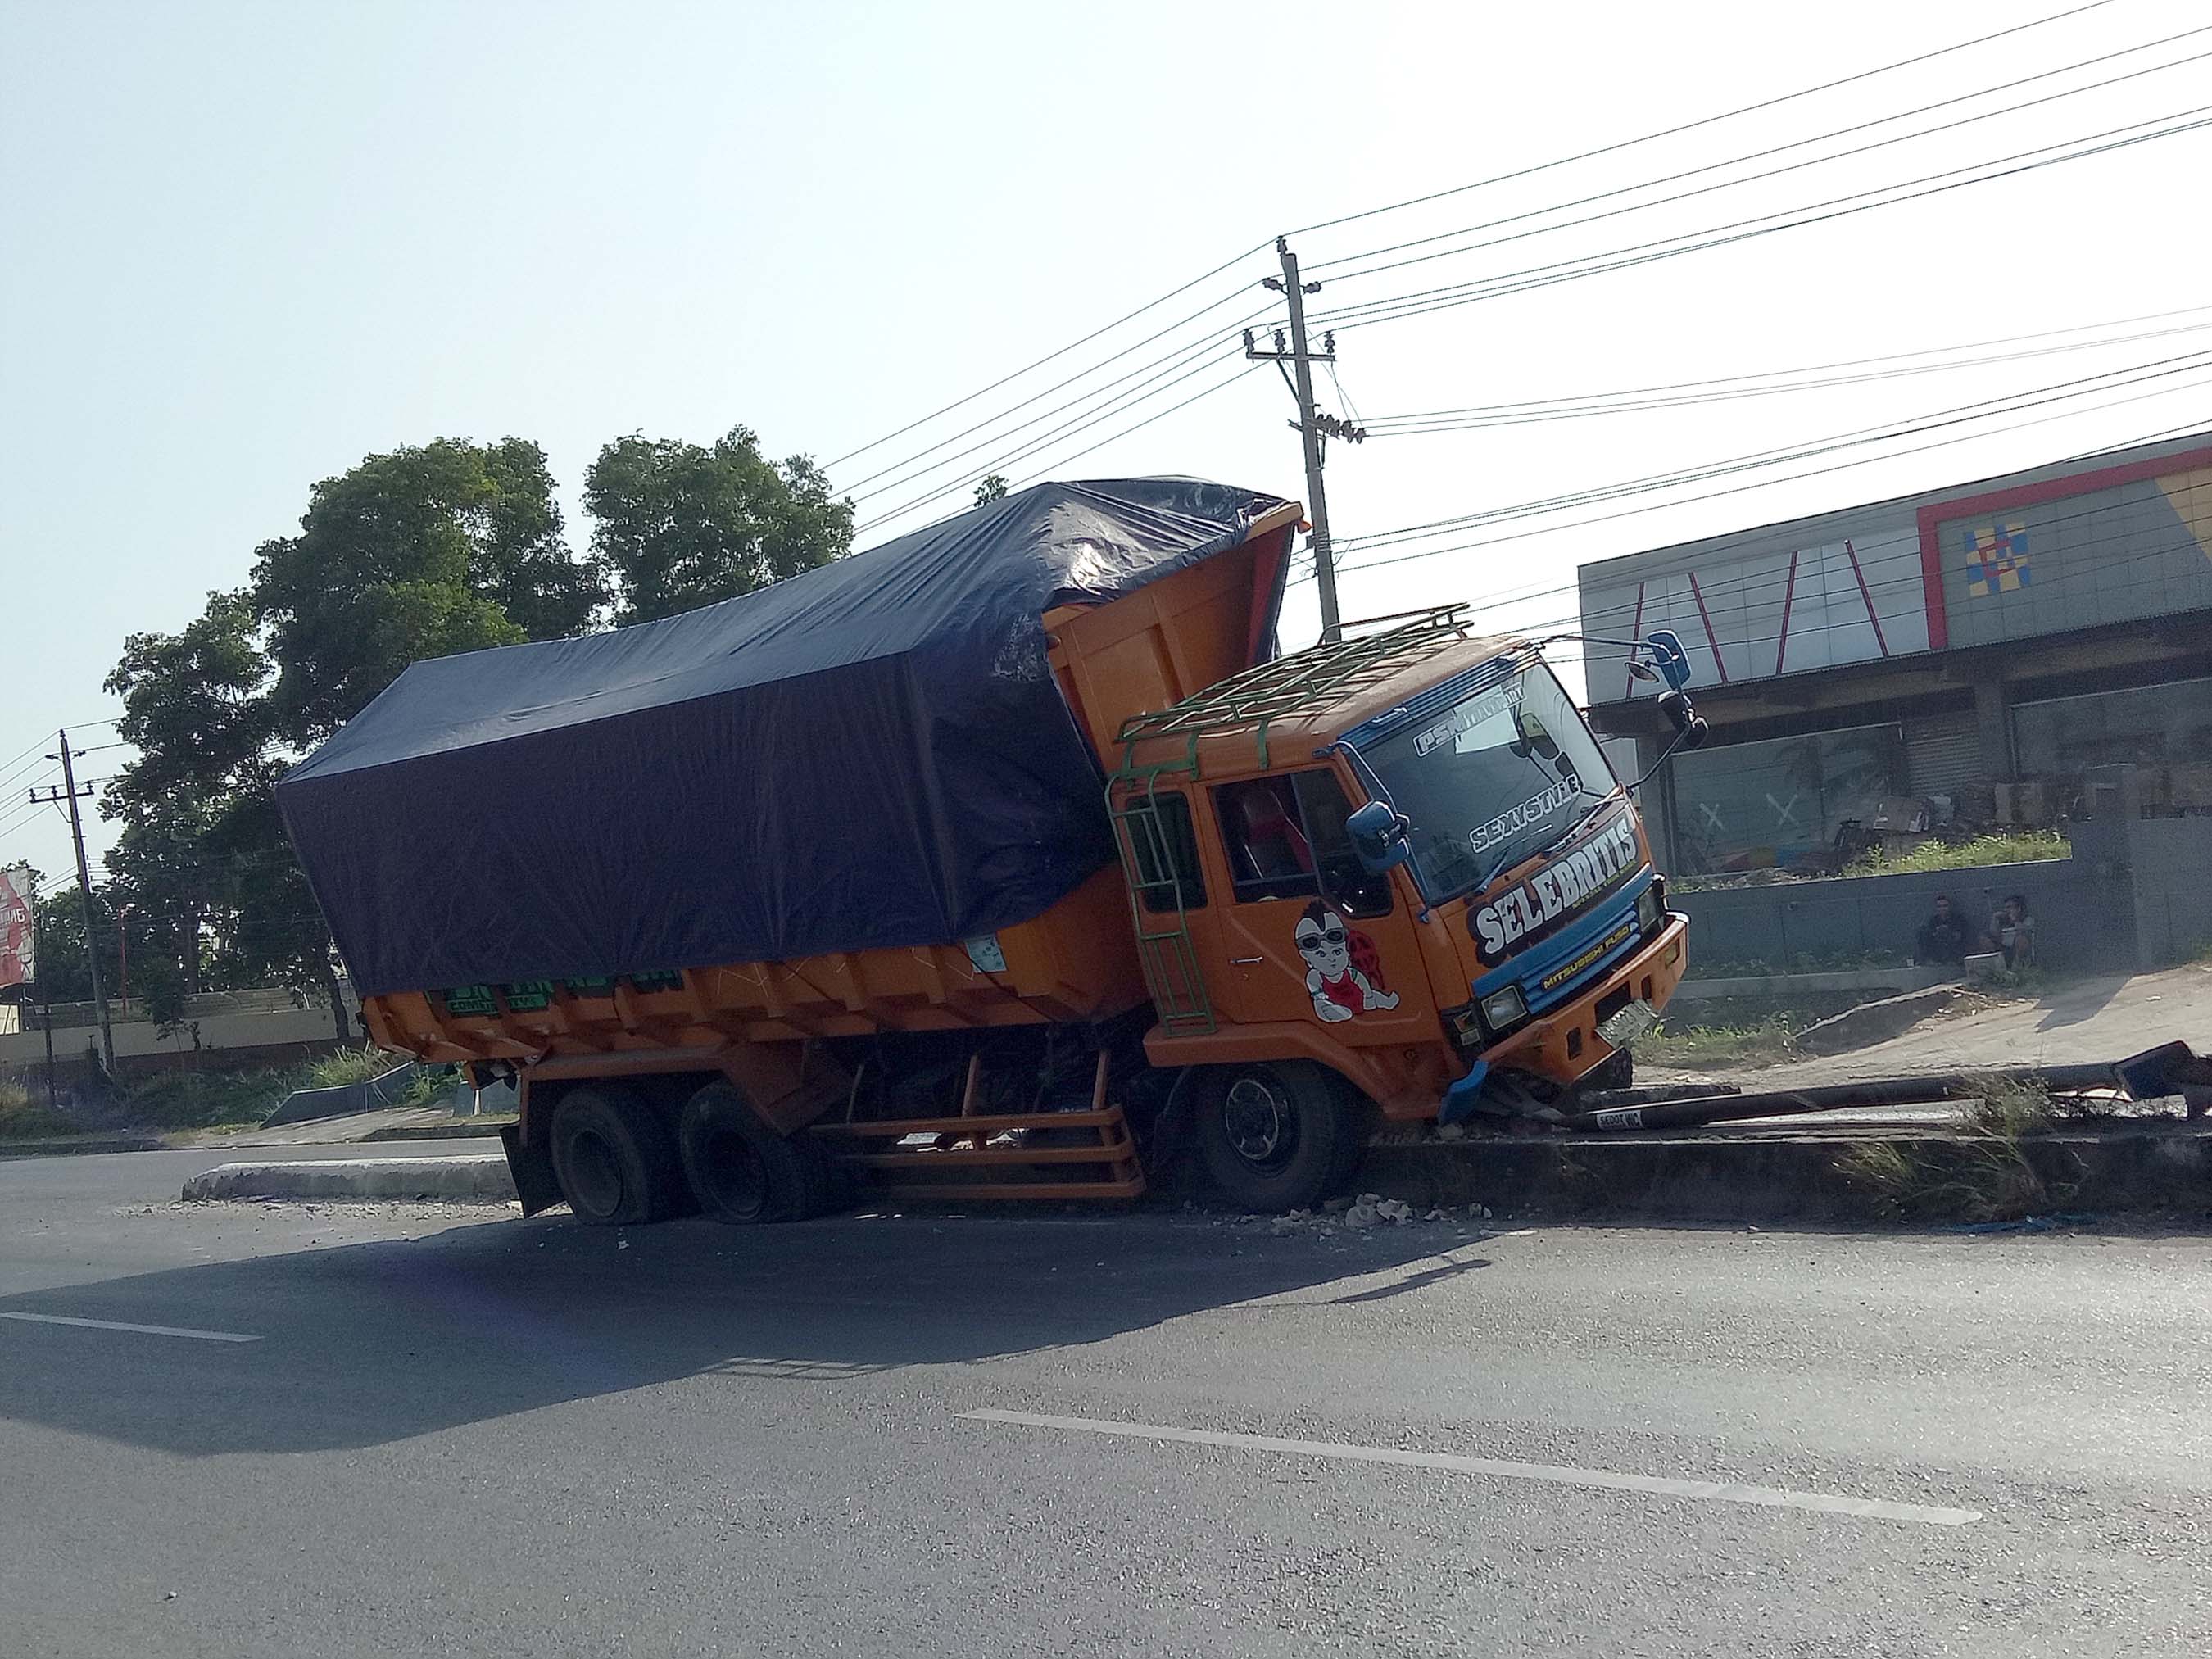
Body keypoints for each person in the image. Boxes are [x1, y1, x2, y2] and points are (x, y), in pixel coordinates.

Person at [1915, 894, 1970, 966]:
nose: (1942, 909)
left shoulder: (1958, 918)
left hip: (1954, 947)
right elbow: (1930, 935)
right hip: (1938, 946)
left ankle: (1953, 959)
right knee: (1922, 931)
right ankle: (1928, 959)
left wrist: (1946, 931)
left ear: (1950, 907)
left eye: (1945, 906)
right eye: (1939, 907)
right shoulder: (1934, 920)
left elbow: (1960, 936)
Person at [1988, 892, 2035, 969]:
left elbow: (2025, 931)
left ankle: (2018, 967)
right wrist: (1995, 920)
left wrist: (2014, 921)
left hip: (2020, 953)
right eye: (2006, 908)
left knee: (2021, 939)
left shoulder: (2028, 920)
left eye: (2009, 907)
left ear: (2019, 908)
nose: (2006, 910)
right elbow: (1993, 935)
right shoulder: (2002, 922)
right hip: (2005, 950)